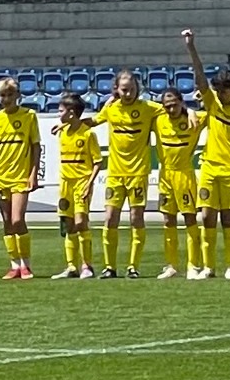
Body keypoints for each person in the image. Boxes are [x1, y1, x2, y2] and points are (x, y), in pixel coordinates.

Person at [59, 70, 165, 279]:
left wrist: (190, 112)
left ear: (138, 89)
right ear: (116, 89)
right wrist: (67, 123)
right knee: (110, 219)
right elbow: (93, 121)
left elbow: (173, 109)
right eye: (124, 90)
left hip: (138, 173)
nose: (128, 94)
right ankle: (110, 267)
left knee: (136, 218)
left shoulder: (148, 108)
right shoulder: (111, 109)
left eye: (132, 89)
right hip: (115, 174)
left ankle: (133, 267)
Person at [182, 29, 230, 280]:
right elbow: (200, 78)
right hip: (210, 168)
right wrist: (191, 47)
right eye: (218, 90)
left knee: (229, 218)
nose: (221, 94)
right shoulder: (212, 103)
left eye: (225, 91)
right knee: (207, 217)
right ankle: (208, 267)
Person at [0, 77, 41, 280]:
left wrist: (33, 174)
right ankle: (14, 265)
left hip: (20, 177)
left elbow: (35, 147)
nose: (6, 99)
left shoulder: (28, 116)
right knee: (7, 221)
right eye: (2, 95)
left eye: (10, 95)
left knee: (18, 219)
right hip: (0, 177)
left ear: (17, 95)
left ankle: (26, 264)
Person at [154, 86, 207, 279]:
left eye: (174, 105)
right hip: (165, 176)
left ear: (181, 103)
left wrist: (192, 110)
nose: (171, 109)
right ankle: (171, 265)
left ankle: (193, 265)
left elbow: (214, 111)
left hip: (184, 174)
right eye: (167, 106)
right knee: (168, 220)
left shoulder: (195, 119)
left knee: (190, 218)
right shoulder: (157, 119)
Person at [52, 92, 102, 280]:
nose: (58, 114)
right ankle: (71, 266)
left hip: (82, 182)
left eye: (61, 111)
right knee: (69, 224)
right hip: (66, 184)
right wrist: (63, 124)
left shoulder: (88, 134)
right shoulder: (62, 131)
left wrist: (89, 184)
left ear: (71, 112)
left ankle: (87, 266)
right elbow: (65, 125)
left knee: (81, 222)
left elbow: (98, 162)